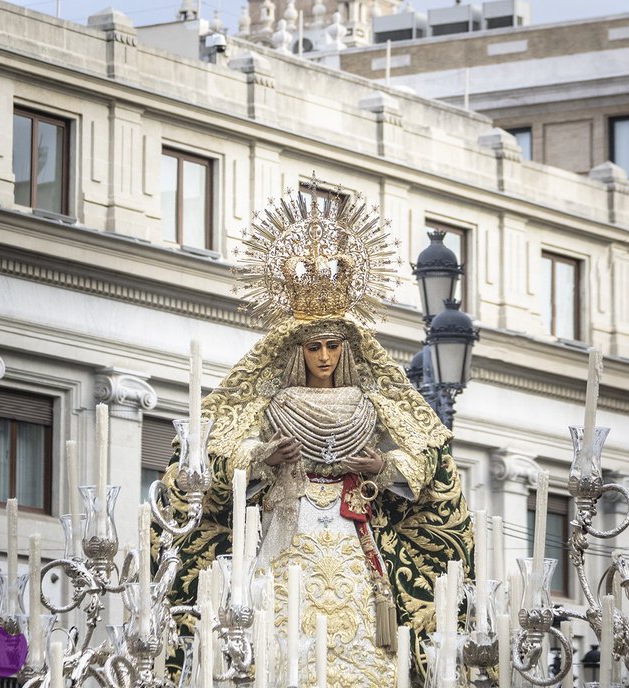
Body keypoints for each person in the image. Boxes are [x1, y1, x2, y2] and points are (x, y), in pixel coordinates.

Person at [167, 186, 473, 687]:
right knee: (279, 642)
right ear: (299, 351)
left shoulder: (369, 400)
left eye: (333, 345)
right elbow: (214, 452)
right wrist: (263, 455)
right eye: (315, 347)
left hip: (355, 534)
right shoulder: (273, 402)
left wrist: (385, 468)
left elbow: (426, 455)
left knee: (362, 652)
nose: (325, 356)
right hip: (290, 526)